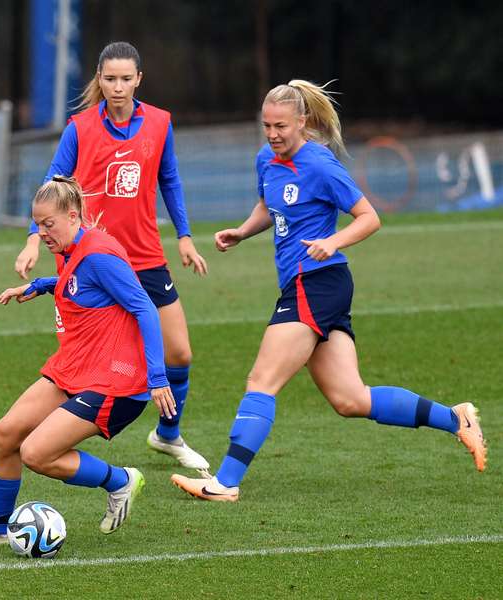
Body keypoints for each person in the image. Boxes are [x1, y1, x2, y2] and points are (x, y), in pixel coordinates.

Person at [171, 80, 487, 503]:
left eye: (281, 125)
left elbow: (368, 217)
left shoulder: (320, 164)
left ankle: (224, 482)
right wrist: (244, 232)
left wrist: (333, 241)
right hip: (312, 286)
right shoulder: (266, 159)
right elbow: (269, 205)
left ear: (302, 121)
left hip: (317, 282)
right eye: (266, 125)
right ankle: (455, 418)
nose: (273, 134)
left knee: (261, 380)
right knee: (349, 398)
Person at [0, 175, 175, 547]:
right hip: (75, 367)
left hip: (115, 381)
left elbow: (144, 308)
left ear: (73, 216)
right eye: (37, 225)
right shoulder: (70, 247)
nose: (42, 232)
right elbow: (77, 281)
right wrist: (39, 285)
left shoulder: (100, 254)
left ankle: (121, 481)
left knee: (36, 452)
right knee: (4, 435)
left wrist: (158, 377)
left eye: (48, 224)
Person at [14, 41, 210, 474]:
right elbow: (50, 186)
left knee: (179, 353)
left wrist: (185, 236)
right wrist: (33, 239)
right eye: (109, 78)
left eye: (125, 79)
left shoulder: (159, 123)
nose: (117, 87)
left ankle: (168, 434)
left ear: (139, 79)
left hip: (144, 255)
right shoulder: (79, 128)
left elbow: (170, 180)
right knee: (86, 358)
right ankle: (60, 429)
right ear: (98, 80)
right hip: (91, 260)